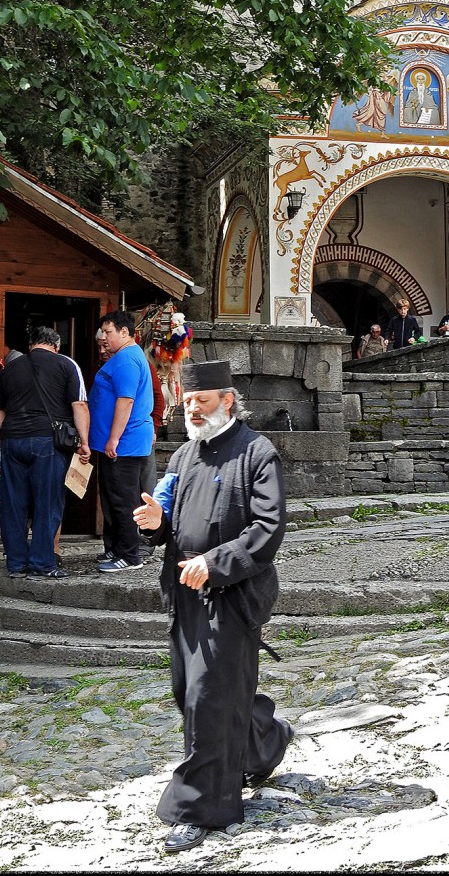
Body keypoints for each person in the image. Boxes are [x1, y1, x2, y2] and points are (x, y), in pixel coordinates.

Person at [133, 359, 293, 854]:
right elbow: (166, 513)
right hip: (183, 592)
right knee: (194, 692)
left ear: (227, 400)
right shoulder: (182, 455)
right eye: (187, 402)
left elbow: (267, 530)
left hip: (231, 594)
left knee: (207, 698)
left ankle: (199, 808)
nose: (193, 409)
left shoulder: (258, 454)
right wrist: (154, 521)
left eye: (201, 401)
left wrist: (216, 562)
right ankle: (265, 740)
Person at [0, 327, 90, 580]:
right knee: (48, 502)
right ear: (56, 345)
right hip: (48, 442)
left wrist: (10, 428)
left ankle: (17, 565)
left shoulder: (10, 367)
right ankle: (42, 563)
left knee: (14, 503)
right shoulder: (67, 364)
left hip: (13, 442)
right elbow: (79, 404)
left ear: (31, 345)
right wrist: (83, 442)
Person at [91, 327, 165, 564]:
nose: (103, 349)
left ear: (122, 333)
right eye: (100, 346)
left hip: (128, 441)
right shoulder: (115, 365)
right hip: (117, 441)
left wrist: (153, 426)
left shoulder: (129, 362)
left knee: (131, 495)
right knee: (114, 498)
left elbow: (134, 399)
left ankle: (133, 550)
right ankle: (117, 548)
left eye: (106, 342)